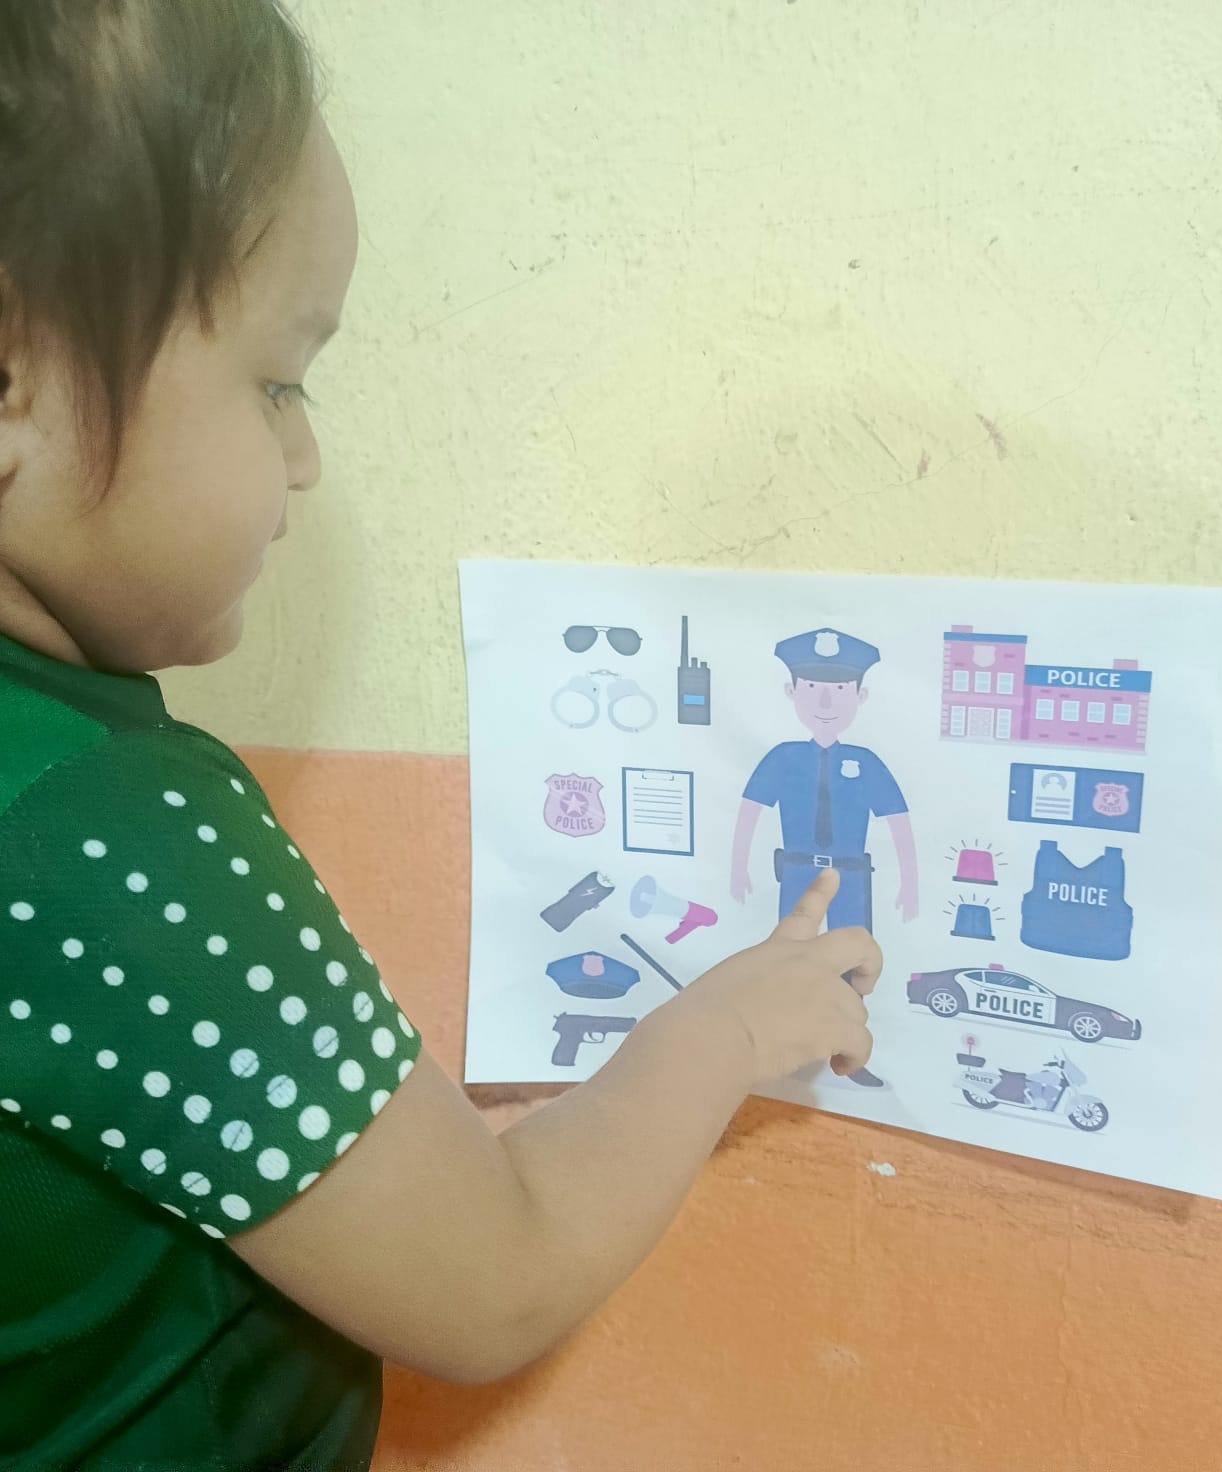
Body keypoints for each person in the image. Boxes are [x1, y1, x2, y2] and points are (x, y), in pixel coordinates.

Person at [0, 5, 881, 1467]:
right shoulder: (101, 824)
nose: (304, 458)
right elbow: (494, 1277)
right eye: (278, 381)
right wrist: (724, 1027)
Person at [729, 629, 920, 1087]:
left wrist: (910, 881)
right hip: (798, 873)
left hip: (852, 878)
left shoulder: (866, 761)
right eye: (813, 688)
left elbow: (898, 819)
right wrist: (738, 867)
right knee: (791, 961)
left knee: (854, 966)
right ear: (792, 692)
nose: (826, 702)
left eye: (840, 689)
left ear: (860, 696)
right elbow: (750, 810)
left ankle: (849, 1051)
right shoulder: (783, 757)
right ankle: (787, 1047)